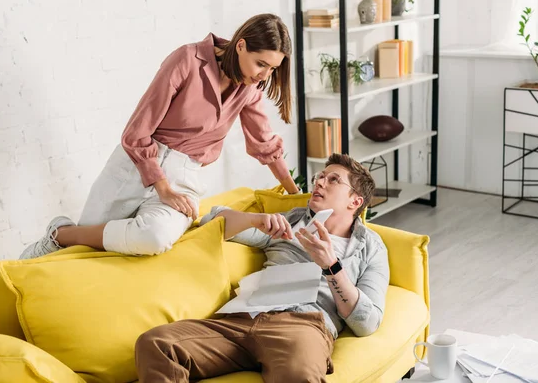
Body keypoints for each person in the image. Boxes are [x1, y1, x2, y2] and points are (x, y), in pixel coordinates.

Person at [20, 13, 300, 259]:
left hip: (184, 178)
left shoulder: (250, 89)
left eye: (273, 69)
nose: (265, 75)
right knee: (87, 249)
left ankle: (63, 232)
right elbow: (137, 131)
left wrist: (295, 193)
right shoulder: (187, 60)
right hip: (134, 166)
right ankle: (60, 236)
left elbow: (264, 143)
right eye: (261, 64)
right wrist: (161, 188)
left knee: (155, 238)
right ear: (241, 45)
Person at [134, 153, 390, 383]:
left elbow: (367, 322)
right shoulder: (290, 221)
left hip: (301, 326)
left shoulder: (370, 246)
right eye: (320, 176)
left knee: (298, 375)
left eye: (333, 180)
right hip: (242, 319)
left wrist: (331, 266)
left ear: (355, 202)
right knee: (156, 344)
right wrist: (255, 220)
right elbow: (211, 221)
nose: (320, 183)